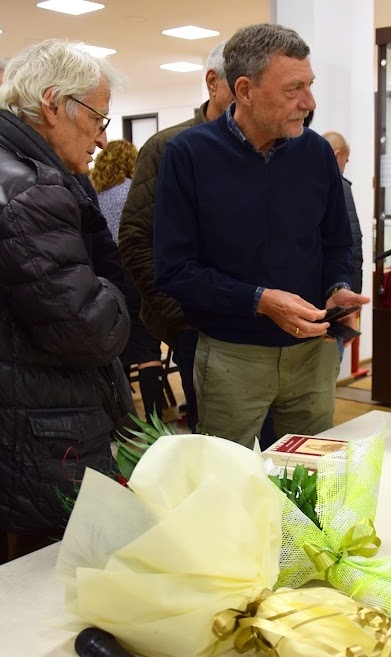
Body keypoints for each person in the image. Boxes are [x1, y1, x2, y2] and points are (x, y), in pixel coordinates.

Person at [154, 23, 368, 447]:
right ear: (246, 90)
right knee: (226, 486)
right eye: (294, 89)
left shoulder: (315, 153)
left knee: (310, 484)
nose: (310, 102)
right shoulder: (189, 155)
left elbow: (338, 243)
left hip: (312, 354)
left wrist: (339, 286)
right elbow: (174, 271)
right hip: (231, 356)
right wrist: (260, 301)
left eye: (309, 85)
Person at [0, 40, 133, 561]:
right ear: (53, 104)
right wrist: (115, 291)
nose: (103, 137)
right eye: (98, 117)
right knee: (52, 590)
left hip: (24, 414)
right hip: (40, 431)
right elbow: (90, 329)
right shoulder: (31, 192)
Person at [118, 42, 233, 432]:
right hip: (197, 328)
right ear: (214, 83)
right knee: (213, 437)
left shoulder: (269, 151)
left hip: (258, 326)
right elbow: (135, 238)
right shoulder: (167, 148)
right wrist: (181, 315)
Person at [92, 139, 166, 421]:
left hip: (106, 280)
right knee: (148, 351)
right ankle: (157, 421)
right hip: (136, 274)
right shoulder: (133, 193)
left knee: (117, 349)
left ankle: (124, 425)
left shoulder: (95, 196)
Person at [322, 130, 363, 364]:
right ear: (337, 155)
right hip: (332, 299)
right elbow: (352, 247)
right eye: (346, 162)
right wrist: (351, 299)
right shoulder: (339, 186)